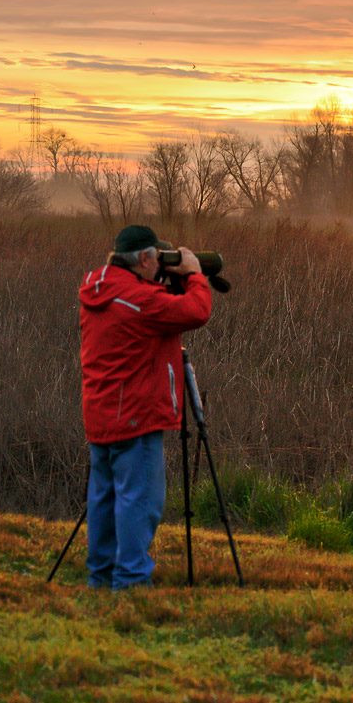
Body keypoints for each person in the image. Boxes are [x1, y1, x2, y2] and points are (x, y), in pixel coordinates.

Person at [78, 224, 212, 589]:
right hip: (136, 415)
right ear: (143, 258)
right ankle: (132, 580)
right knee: (141, 500)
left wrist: (167, 281)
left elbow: (150, 307)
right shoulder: (140, 300)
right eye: (156, 258)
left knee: (105, 499)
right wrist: (194, 275)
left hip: (102, 412)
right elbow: (196, 311)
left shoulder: (100, 289)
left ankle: (101, 576)